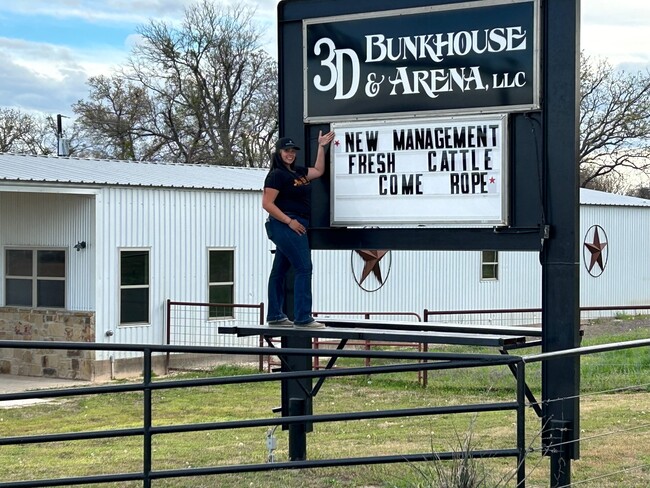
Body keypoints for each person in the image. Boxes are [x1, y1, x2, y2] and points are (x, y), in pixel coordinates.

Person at [262, 130, 335, 328]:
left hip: (296, 223)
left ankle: (275, 316)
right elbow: (267, 204)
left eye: (293, 150)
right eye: (286, 150)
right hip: (286, 224)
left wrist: (321, 146)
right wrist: (289, 221)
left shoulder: (298, 172)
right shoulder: (276, 175)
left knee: (280, 270)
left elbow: (319, 171)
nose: (290, 154)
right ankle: (303, 317)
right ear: (278, 152)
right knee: (304, 267)